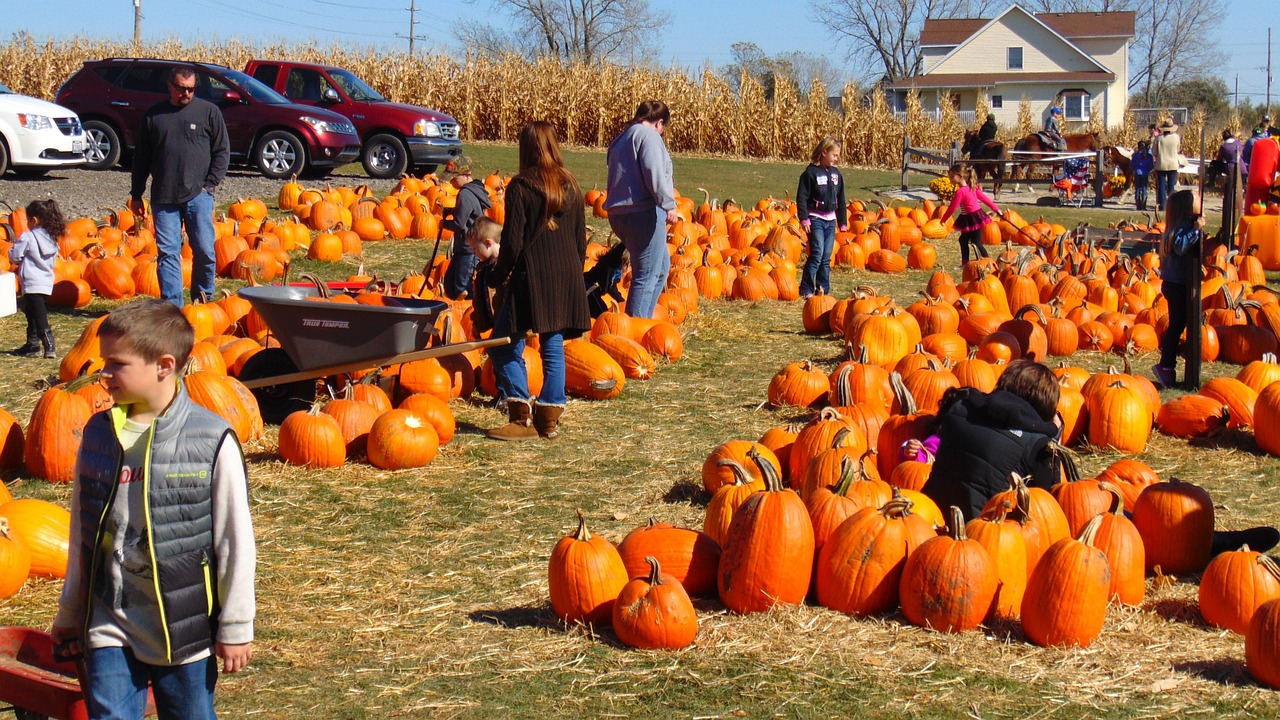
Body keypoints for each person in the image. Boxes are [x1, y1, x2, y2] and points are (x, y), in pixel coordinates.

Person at [51, 299, 255, 720]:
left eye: (116, 364)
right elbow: (82, 532)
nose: (103, 373)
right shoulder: (98, 433)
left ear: (164, 365)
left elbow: (235, 541)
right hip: (109, 619)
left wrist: (235, 625)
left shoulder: (210, 440)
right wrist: (71, 611)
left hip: (182, 629)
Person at [484, 121, 591, 441]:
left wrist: (496, 276)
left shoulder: (521, 185)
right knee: (552, 346)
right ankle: (550, 417)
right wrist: (573, 274)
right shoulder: (570, 184)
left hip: (532, 277)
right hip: (566, 275)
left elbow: (513, 243)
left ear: (525, 148)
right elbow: (579, 241)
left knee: (502, 345)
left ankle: (521, 418)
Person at [128, 66, 230, 308]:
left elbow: (222, 151)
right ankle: (173, 306)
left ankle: (203, 298)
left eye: (191, 89)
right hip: (164, 197)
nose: (187, 93)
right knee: (168, 253)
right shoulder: (154, 116)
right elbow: (141, 157)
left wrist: (210, 185)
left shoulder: (208, 112)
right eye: (182, 88)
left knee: (205, 250)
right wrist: (136, 193)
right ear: (169, 86)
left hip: (198, 196)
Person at [920, 359, 1063, 521]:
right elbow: (1049, 506)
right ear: (1045, 407)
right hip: (982, 529)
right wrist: (1054, 438)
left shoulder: (960, 407)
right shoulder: (1037, 443)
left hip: (929, 516)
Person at [604, 100, 676, 320]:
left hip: (618, 212)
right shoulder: (650, 137)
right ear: (660, 122)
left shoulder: (621, 138)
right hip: (642, 212)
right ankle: (636, 330)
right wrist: (669, 205)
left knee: (661, 266)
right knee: (645, 276)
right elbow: (653, 173)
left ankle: (644, 319)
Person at [1152, 190, 1203, 388]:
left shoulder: (1180, 225)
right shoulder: (1182, 228)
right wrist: (1196, 230)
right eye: (1196, 198)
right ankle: (1165, 365)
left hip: (1176, 283)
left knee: (1179, 323)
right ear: (1186, 207)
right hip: (1176, 285)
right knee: (1176, 325)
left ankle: (1169, 364)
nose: (1200, 199)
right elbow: (1181, 247)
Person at [8, 199, 64, 358]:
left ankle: (49, 345)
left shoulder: (28, 237)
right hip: (46, 283)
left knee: (39, 316)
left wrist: (13, 253)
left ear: (34, 220)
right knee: (32, 313)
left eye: (27, 220)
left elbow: (15, 256)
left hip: (31, 283)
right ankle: (32, 345)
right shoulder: (52, 238)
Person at [795, 136, 848, 298]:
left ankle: (822, 289)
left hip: (830, 221)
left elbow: (841, 198)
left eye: (838, 156)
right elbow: (802, 197)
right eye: (834, 155)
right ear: (824, 152)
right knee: (817, 254)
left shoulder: (836, 174)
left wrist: (843, 222)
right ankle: (806, 289)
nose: (836, 159)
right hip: (815, 219)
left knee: (826, 258)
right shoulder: (810, 173)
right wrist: (804, 219)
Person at [439, 156, 494, 300]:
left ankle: (466, 316)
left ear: (466, 175)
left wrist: (443, 224)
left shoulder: (464, 194)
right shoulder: (476, 191)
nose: (451, 181)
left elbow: (459, 223)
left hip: (467, 249)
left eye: (454, 177)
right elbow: (470, 212)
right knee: (452, 283)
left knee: (462, 288)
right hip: (470, 248)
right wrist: (452, 210)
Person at [938, 164, 1001, 265]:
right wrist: (996, 209)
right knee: (963, 240)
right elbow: (984, 199)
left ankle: (988, 262)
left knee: (977, 242)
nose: (950, 179)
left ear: (960, 176)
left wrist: (943, 220)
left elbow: (952, 208)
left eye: (952, 176)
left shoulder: (961, 192)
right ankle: (965, 264)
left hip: (974, 218)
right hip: (969, 218)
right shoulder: (971, 187)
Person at [467, 217, 503, 334]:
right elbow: (478, 300)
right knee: (496, 351)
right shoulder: (482, 269)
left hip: (505, 322)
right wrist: (477, 323)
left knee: (498, 351)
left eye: (475, 248)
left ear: (488, 243)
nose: (474, 252)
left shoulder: (504, 268)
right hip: (493, 324)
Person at [1152, 119, 1182, 212]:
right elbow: (1177, 149)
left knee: (1161, 186)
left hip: (1161, 164)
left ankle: (1162, 206)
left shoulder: (1159, 138)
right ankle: (1172, 206)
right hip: (1173, 164)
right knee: (1171, 186)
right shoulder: (1176, 137)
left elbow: (1154, 152)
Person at [1131, 140, 1154, 212]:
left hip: (1137, 173)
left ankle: (1138, 205)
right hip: (1145, 173)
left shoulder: (1135, 155)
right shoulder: (1149, 156)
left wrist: (1135, 169)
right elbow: (1151, 166)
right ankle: (1143, 205)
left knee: (1137, 188)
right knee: (1144, 188)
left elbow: (1131, 165)